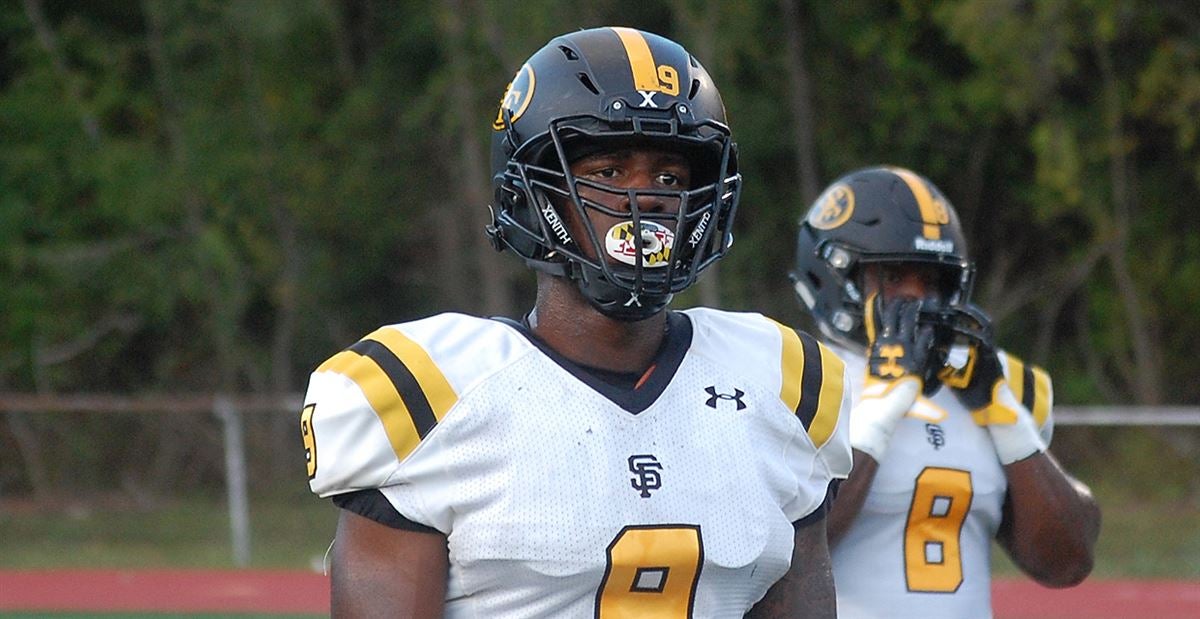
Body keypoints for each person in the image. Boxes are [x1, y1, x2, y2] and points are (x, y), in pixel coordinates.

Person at [299, 27, 853, 617]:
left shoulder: (782, 380)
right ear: (534, 195)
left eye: (670, 176)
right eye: (609, 172)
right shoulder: (427, 392)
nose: (647, 198)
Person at [790, 165, 1101, 618]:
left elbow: (1067, 562)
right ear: (834, 276)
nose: (919, 299)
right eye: (895, 276)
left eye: (933, 279)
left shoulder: (997, 382)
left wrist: (1005, 415)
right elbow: (781, 553)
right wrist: (883, 406)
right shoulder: (792, 372)